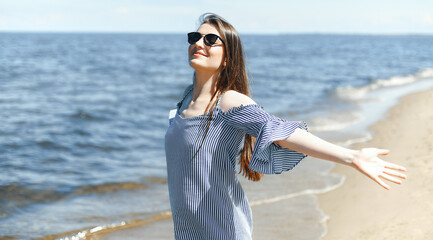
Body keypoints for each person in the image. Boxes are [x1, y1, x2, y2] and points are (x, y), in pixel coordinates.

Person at [164, 13, 407, 240]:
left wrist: (352, 156)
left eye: (210, 39)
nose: (198, 43)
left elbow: (280, 131)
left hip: (223, 231)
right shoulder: (185, 100)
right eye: (194, 37)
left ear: (228, 57)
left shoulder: (227, 102)